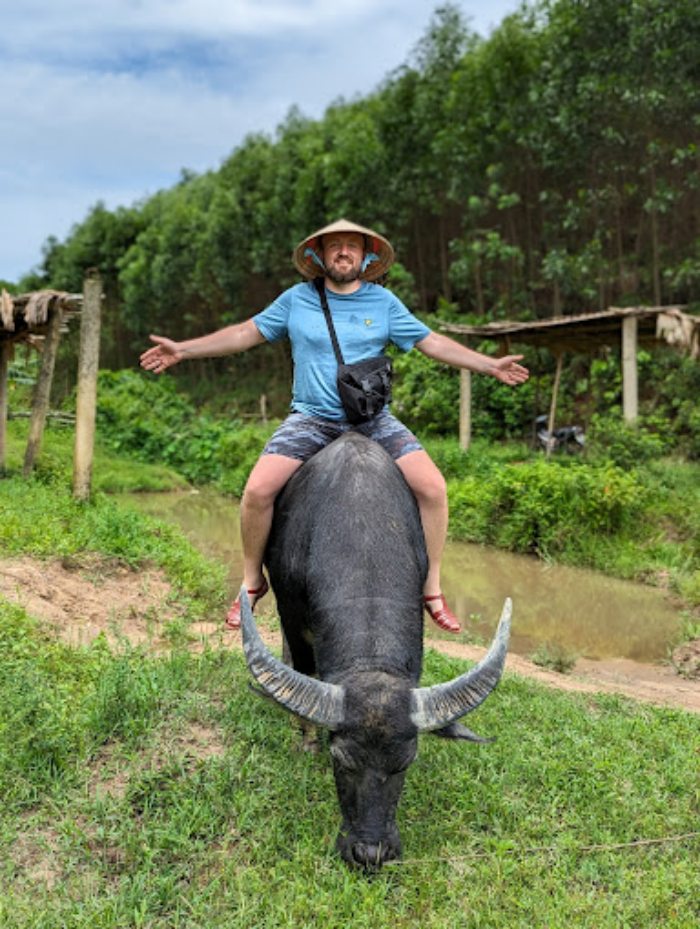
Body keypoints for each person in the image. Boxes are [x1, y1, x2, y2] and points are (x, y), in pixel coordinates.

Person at [140, 219, 529, 633]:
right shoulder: (296, 300)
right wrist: (183, 349)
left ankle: (430, 587)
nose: (343, 252)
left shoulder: (384, 303)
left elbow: (431, 342)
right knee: (257, 491)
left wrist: (490, 365)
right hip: (311, 417)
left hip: (372, 419)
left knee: (433, 488)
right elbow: (243, 333)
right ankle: (253, 581)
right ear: (319, 256)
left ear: (367, 257)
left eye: (352, 246)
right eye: (335, 246)